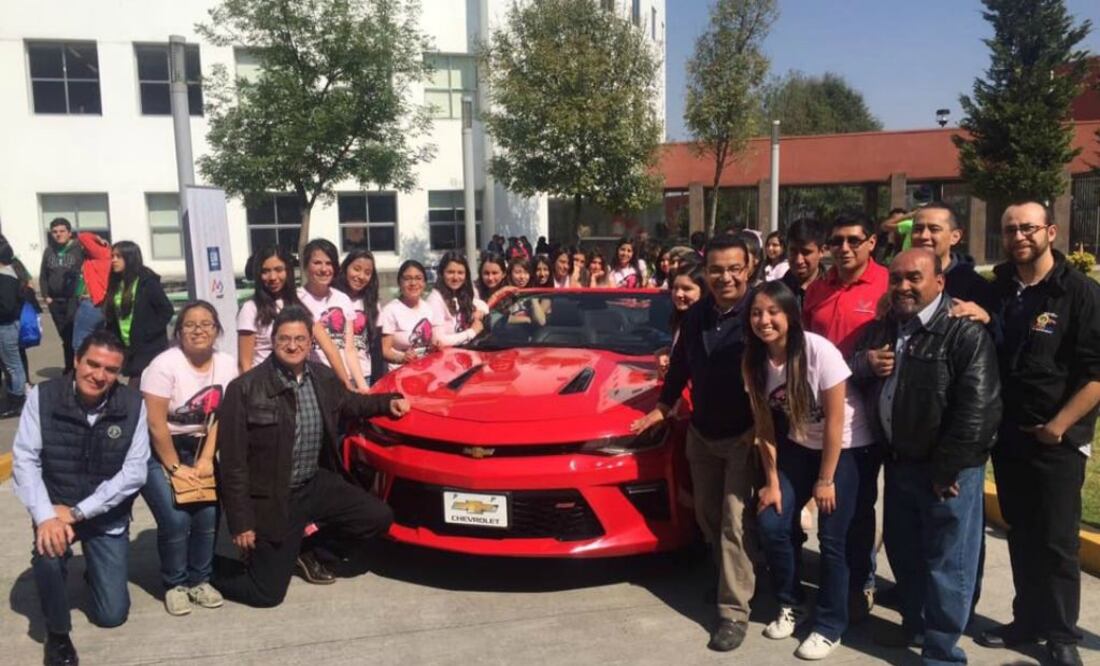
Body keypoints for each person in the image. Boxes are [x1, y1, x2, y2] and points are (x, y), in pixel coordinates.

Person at [851, 249, 1001, 663]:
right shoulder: (884, 328)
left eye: (914, 278)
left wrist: (947, 468)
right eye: (896, 279)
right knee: (906, 554)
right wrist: (866, 363)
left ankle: (942, 652)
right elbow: (848, 368)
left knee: (948, 565)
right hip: (900, 464)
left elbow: (978, 410)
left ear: (939, 281)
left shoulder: (963, 333)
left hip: (945, 472)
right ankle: (915, 626)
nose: (903, 287)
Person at [212, 306, 407, 608]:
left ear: (310, 342)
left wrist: (387, 403)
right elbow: (233, 464)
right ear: (273, 341)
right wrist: (241, 522)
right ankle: (202, 569)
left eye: (300, 339)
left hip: (313, 484)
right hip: (273, 496)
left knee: (377, 517)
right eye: (285, 339)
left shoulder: (322, 377)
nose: (293, 346)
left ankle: (311, 553)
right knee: (266, 594)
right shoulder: (245, 388)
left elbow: (351, 403)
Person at [977, 202, 1100, 666]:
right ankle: (1026, 620)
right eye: (1010, 229)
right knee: (1021, 533)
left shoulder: (1079, 293)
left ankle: (1062, 634)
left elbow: (1096, 373)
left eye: (1028, 228)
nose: (1018, 236)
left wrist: (1059, 426)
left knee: (1057, 542)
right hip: (1009, 438)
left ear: (1050, 231)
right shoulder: (1001, 290)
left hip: (1057, 442)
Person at [631, 235, 757, 653]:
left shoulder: (759, 312)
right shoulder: (697, 314)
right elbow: (682, 365)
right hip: (703, 433)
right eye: (716, 270)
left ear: (749, 268)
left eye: (734, 269)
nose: (725, 277)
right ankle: (730, 579)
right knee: (707, 515)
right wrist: (662, 407)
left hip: (744, 435)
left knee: (734, 522)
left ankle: (733, 611)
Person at [748, 280, 873, 661]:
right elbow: (764, 427)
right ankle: (792, 602)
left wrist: (825, 480)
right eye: (756, 313)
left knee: (833, 537)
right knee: (772, 522)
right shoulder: (753, 360)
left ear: (790, 315)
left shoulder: (819, 351)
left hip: (847, 447)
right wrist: (772, 482)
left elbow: (836, 420)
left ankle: (830, 625)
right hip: (799, 446)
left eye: (773, 312)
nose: (764, 320)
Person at [12, 331, 149, 666]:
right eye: (93, 364)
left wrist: (77, 512)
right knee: (48, 553)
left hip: (101, 514)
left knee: (112, 615)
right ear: (76, 360)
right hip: (55, 508)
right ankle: (58, 636)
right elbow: (25, 459)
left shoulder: (134, 404)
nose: (99, 375)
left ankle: (95, 570)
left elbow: (134, 473)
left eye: (111, 369)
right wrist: (45, 516)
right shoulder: (43, 396)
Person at [802, 210, 888, 622]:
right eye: (837, 241)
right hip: (819, 415)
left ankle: (861, 582)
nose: (845, 248)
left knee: (859, 507)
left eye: (854, 240)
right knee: (830, 511)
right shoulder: (817, 289)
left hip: (868, 416)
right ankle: (836, 584)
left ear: (872, 242)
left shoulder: (889, 284)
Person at [140, 301, 238, 616]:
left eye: (206, 324)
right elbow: (156, 423)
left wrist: (207, 458)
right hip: (160, 449)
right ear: (179, 332)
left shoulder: (227, 364)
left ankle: (200, 580)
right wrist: (174, 467)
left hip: (200, 446)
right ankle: (176, 584)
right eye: (190, 325)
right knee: (176, 518)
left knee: (208, 515)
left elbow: (220, 416)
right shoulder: (163, 365)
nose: (198, 330)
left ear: (217, 330)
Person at [909, 201, 999, 323]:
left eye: (934, 229)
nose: (924, 236)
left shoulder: (976, 287)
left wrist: (987, 319)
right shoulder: (898, 281)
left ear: (955, 236)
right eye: (918, 229)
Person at [104, 241, 173, 386]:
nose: (114, 260)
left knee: (137, 386)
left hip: (149, 348)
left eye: (118, 256)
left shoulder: (147, 282)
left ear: (130, 258)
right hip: (128, 347)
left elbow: (166, 311)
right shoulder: (116, 282)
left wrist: (147, 332)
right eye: (112, 256)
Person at [296, 239, 358, 389]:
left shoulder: (343, 299)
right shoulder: (296, 299)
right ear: (305, 266)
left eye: (329, 263)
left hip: (343, 379)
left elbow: (349, 349)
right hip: (311, 381)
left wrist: (360, 385)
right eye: (317, 263)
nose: (324, 269)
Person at [237, 246, 301, 374]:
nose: (272, 277)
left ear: (288, 271)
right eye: (265, 271)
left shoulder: (300, 302)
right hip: (264, 380)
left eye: (278, 270)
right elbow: (245, 363)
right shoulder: (251, 308)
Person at [39, 217, 84, 374]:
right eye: (54, 232)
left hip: (73, 299)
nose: (58, 234)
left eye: (62, 231)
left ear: (69, 233)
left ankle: (77, 368)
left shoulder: (79, 249)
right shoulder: (49, 251)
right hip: (55, 301)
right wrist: (46, 296)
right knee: (64, 336)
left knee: (74, 335)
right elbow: (43, 275)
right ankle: (70, 368)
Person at [334, 248, 384, 387]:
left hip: (364, 375)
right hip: (335, 375)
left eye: (367, 273)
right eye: (356, 269)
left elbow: (376, 347)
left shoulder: (372, 304)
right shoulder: (331, 298)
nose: (361, 276)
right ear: (345, 268)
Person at [380, 260, 439, 368]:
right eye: (407, 279)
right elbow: (385, 349)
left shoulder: (429, 308)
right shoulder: (390, 310)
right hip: (400, 372)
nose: (413, 283)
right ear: (399, 282)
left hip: (425, 369)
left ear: (424, 282)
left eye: (418, 278)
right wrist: (402, 357)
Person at [427, 252, 488, 347]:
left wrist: (481, 312)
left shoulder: (464, 293)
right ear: (442, 273)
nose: (455, 277)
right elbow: (438, 340)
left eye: (460, 273)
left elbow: (482, 305)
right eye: (450, 272)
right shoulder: (435, 300)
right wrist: (471, 332)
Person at [70, 231, 112, 353]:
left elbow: (83, 236)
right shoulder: (95, 258)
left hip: (92, 302)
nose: (82, 248)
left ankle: (81, 363)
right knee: (97, 341)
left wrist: (96, 237)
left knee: (80, 342)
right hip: (97, 302)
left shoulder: (101, 254)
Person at [0, 239, 27, 418]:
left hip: (6, 326)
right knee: (10, 365)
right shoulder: (9, 273)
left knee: (13, 366)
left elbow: (7, 307)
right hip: (7, 326)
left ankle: (17, 401)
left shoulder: (6, 277)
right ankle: (14, 397)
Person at [781, 218, 827, 309]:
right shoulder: (774, 293)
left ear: (822, 251)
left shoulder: (832, 293)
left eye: (806, 252)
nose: (799, 260)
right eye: (793, 251)